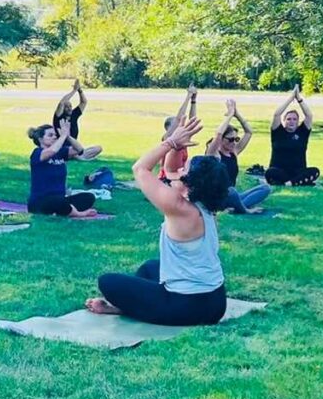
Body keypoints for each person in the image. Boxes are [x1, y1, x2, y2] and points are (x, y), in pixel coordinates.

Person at [86, 117, 229, 326]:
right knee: (149, 268)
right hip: (215, 302)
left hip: (188, 307)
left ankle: (124, 307)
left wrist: (170, 142)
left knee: (107, 282)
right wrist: (178, 146)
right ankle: (128, 306)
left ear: (189, 183)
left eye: (185, 169)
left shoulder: (179, 208)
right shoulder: (204, 204)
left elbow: (140, 169)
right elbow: (170, 172)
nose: (180, 170)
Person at [205, 99, 271, 214]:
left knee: (265, 188)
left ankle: (235, 208)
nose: (234, 143)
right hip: (218, 196)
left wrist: (236, 114)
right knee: (232, 191)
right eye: (230, 140)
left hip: (232, 195)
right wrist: (229, 115)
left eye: (236, 139)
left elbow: (249, 132)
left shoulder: (234, 151)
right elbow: (218, 133)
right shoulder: (213, 153)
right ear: (221, 140)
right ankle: (243, 210)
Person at [26, 120, 99, 218]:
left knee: (88, 197)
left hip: (60, 198)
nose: (54, 137)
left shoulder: (60, 153)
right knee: (58, 202)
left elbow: (79, 150)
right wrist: (63, 136)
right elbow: (52, 150)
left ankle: (65, 210)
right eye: (50, 135)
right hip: (40, 202)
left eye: (55, 135)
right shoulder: (37, 153)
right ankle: (78, 214)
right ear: (40, 139)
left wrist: (67, 136)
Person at [265, 85, 319, 186]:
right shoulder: (278, 132)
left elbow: (309, 115)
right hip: (279, 171)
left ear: (298, 121)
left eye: (294, 119)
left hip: (298, 171)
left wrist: (299, 98)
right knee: (270, 172)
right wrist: (291, 98)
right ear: (284, 121)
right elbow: (277, 114)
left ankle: (289, 183)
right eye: (289, 119)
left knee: (315, 171)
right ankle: (297, 182)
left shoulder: (302, 132)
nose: (291, 121)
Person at [160, 85, 198, 181]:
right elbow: (179, 118)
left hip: (179, 176)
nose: (181, 125)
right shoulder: (167, 137)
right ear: (168, 128)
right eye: (176, 124)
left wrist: (193, 101)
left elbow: (192, 121)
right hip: (167, 177)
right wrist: (188, 96)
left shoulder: (182, 138)